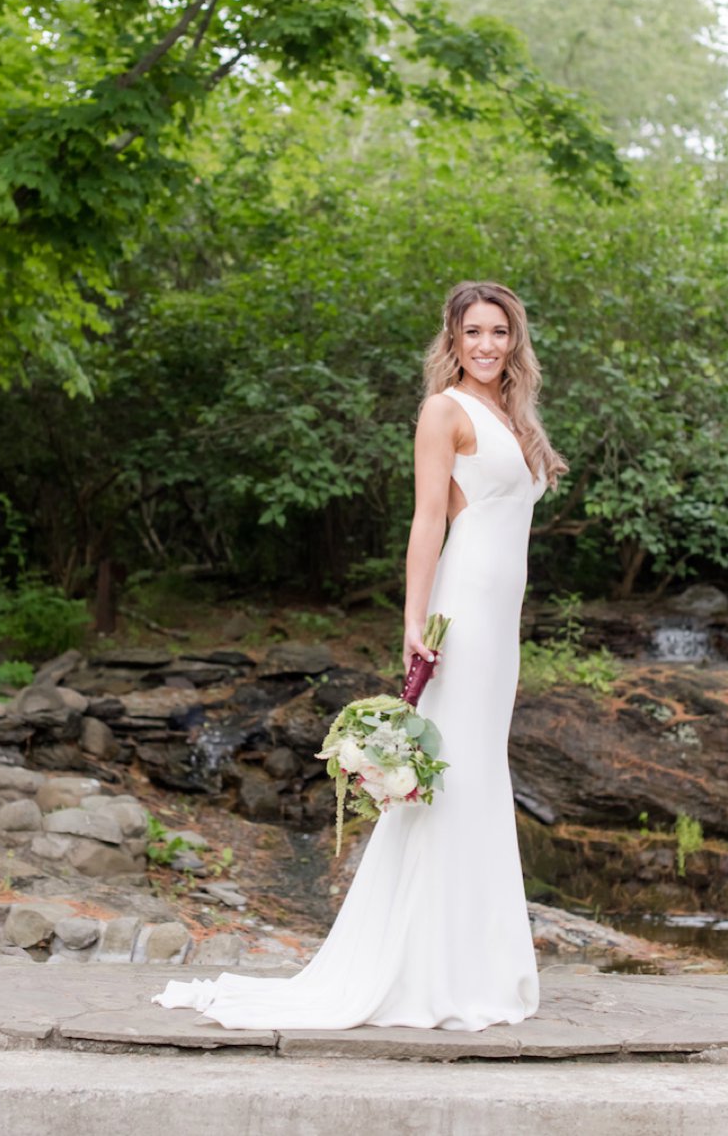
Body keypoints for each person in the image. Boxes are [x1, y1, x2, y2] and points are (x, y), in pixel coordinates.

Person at [153, 280, 566, 1031]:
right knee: (452, 775)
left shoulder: (513, 412)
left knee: (477, 773)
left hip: (501, 618)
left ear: (515, 340)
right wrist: (414, 619)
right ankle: (426, 969)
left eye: (498, 332)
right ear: (452, 337)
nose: (485, 344)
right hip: (463, 607)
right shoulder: (445, 409)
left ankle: (472, 960)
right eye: (472, 331)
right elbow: (428, 519)